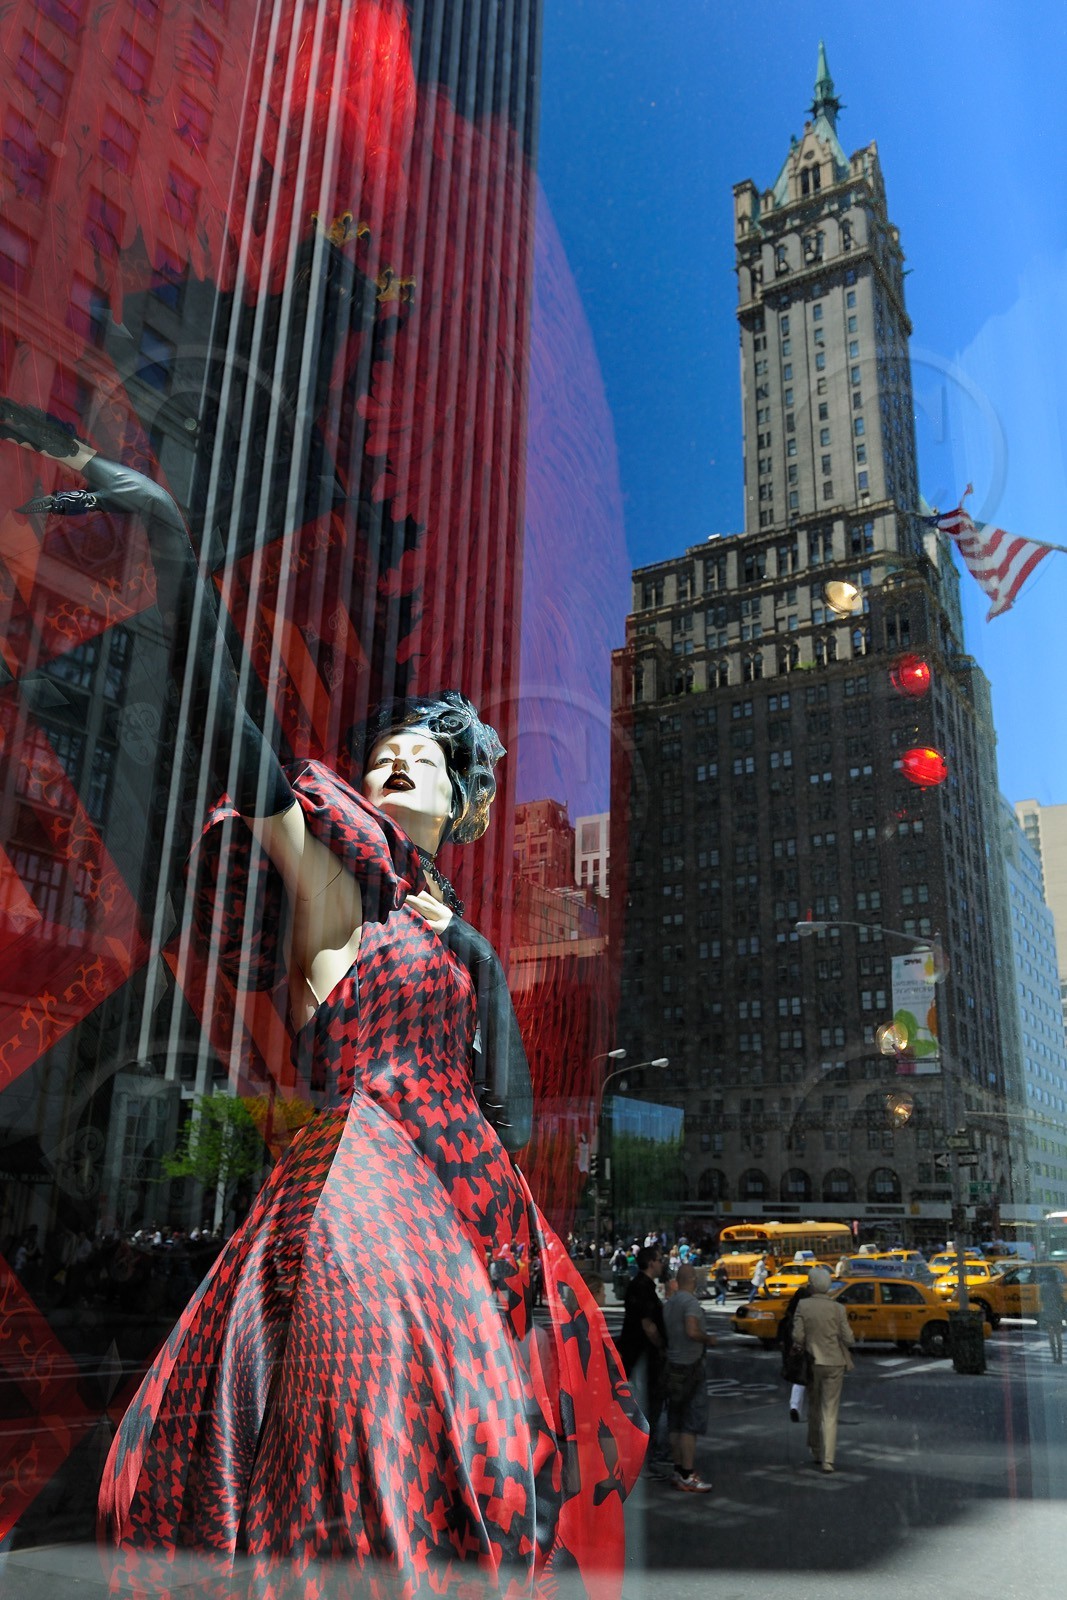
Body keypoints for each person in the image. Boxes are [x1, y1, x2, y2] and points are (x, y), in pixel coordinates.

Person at [1, 402, 646, 1593]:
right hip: (346, 1215)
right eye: (390, 743)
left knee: (474, 1488)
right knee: (351, 1479)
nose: (397, 754)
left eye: (430, 756)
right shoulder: (333, 877)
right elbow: (244, 730)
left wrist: (496, 1259)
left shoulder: (470, 953)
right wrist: (178, 549)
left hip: (451, 1240)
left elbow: (503, 1113)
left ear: (464, 808)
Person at [792, 1265, 855, 1472]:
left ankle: (816, 1448)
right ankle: (829, 1459)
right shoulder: (838, 1308)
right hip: (835, 1362)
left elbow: (798, 1336)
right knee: (831, 1411)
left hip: (813, 1361)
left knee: (814, 1407)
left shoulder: (803, 1306)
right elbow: (849, 1339)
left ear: (811, 1285)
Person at [663, 1263, 716, 1493]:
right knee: (690, 1422)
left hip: (672, 1366)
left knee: (675, 1419)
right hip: (690, 1367)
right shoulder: (690, 1303)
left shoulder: (670, 1303)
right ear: (693, 1279)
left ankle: (677, 1470)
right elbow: (692, 1330)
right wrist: (708, 1339)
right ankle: (687, 1472)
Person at [618, 1244, 668, 1465]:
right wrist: (661, 1347)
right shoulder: (643, 1287)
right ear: (651, 1263)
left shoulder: (639, 1285)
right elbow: (648, 1325)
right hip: (642, 1355)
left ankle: (645, 1447)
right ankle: (647, 1450)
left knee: (646, 1404)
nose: (662, 1263)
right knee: (650, 1404)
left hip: (636, 1353)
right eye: (659, 1260)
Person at [778, 1280, 813, 1421]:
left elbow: (781, 1338)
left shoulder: (789, 1318)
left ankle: (794, 1407)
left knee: (799, 1380)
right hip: (808, 1352)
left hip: (793, 1353)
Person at [1037, 1267, 1064, 1363]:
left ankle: (1054, 1357)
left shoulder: (1043, 1286)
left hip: (1048, 1314)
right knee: (1058, 1336)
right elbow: (1061, 1300)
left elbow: (1041, 1299)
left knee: (1051, 1336)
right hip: (1057, 1314)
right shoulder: (1059, 1286)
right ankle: (1060, 1357)